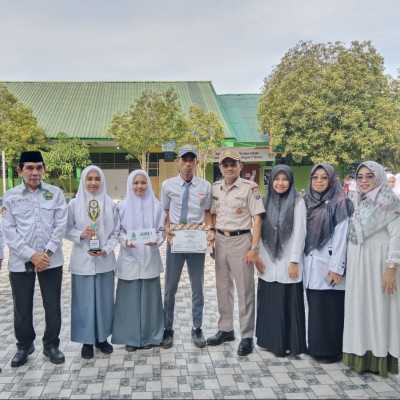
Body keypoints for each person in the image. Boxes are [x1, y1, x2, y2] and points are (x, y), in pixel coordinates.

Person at [2, 151, 67, 367]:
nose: (35, 172)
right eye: (29, 168)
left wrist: (45, 254)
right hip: (21, 262)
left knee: (52, 305)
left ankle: (51, 345)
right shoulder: (10, 196)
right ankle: (24, 345)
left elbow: (60, 226)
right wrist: (32, 255)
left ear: (44, 170)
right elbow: (9, 231)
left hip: (51, 261)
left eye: (39, 167)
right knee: (22, 305)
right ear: (20, 171)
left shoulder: (55, 193)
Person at [343, 161, 400, 376]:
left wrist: (391, 268)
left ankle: (380, 357)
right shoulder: (355, 200)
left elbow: (397, 235)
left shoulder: (390, 201)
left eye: (369, 176)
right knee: (360, 307)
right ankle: (359, 355)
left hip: (380, 264)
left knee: (380, 307)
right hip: (358, 263)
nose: (364, 181)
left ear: (378, 178)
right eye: (360, 177)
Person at [207, 149, 265, 356]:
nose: (229, 168)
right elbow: (211, 215)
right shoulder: (216, 188)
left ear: (240, 166)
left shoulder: (250, 188)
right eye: (225, 164)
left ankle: (247, 335)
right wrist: (212, 237)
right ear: (220, 168)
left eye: (233, 164)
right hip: (221, 241)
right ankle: (225, 329)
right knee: (222, 288)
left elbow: (258, 219)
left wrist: (254, 248)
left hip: (242, 240)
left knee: (245, 289)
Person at [161, 145, 213, 349]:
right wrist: (166, 227)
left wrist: (210, 231)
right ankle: (167, 329)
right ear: (178, 162)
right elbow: (165, 210)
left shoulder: (205, 186)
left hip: (196, 240)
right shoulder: (167, 185)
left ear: (197, 162)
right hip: (176, 240)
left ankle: (197, 328)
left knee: (197, 287)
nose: (188, 163)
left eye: (192, 159)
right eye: (184, 159)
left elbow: (207, 212)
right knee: (170, 288)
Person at [65, 165, 119, 359]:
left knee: (104, 301)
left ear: (102, 180)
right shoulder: (73, 204)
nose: (93, 182)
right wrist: (80, 234)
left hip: (104, 259)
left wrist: (107, 248)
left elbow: (116, 232)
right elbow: (65, 228)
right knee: (84, 303)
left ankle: (102, 338)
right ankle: (86, 341)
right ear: (83, 181)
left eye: (97, 179)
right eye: (89, 179)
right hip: (82, 260)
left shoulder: (110, 204)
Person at [303, 164, 353, 363]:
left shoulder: (341, 202)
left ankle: (331, 351)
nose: (319, 181)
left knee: (331, 308)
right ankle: (315, 347)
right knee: (315, 307)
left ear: (332, 180)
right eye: (315, 177)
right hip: (312, 264)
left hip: (330, 264)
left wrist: (336, 268)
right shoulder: (307, 201)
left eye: (324, 178)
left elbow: (342, 238)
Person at [255, 165, 307, 357]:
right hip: (267, 259)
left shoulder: (298, 202)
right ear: (271, 181)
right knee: (270, 299)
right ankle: (269, 341)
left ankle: (288, 343)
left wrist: (294, 261)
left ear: (291, 181)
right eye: (277, 179)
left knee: (288, 300)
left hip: (288, 260)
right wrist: (257, 256)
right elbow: (258, 230)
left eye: (285, 179)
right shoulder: (263, 200)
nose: (280, 183)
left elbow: (300, 233)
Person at [112, 170, 165, 351]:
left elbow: (161, 231)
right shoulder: (122, 207)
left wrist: (156, 241)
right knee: (128, 301)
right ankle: (130, 338)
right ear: (130, 185)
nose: (139, 186)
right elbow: (117, 232)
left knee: (150, 301)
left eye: (143, 183)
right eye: (135, 183)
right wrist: (126, 242)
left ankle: (150, 336)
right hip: (129, 257)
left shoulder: (156, 206)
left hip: (150, 257)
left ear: (148, 184)